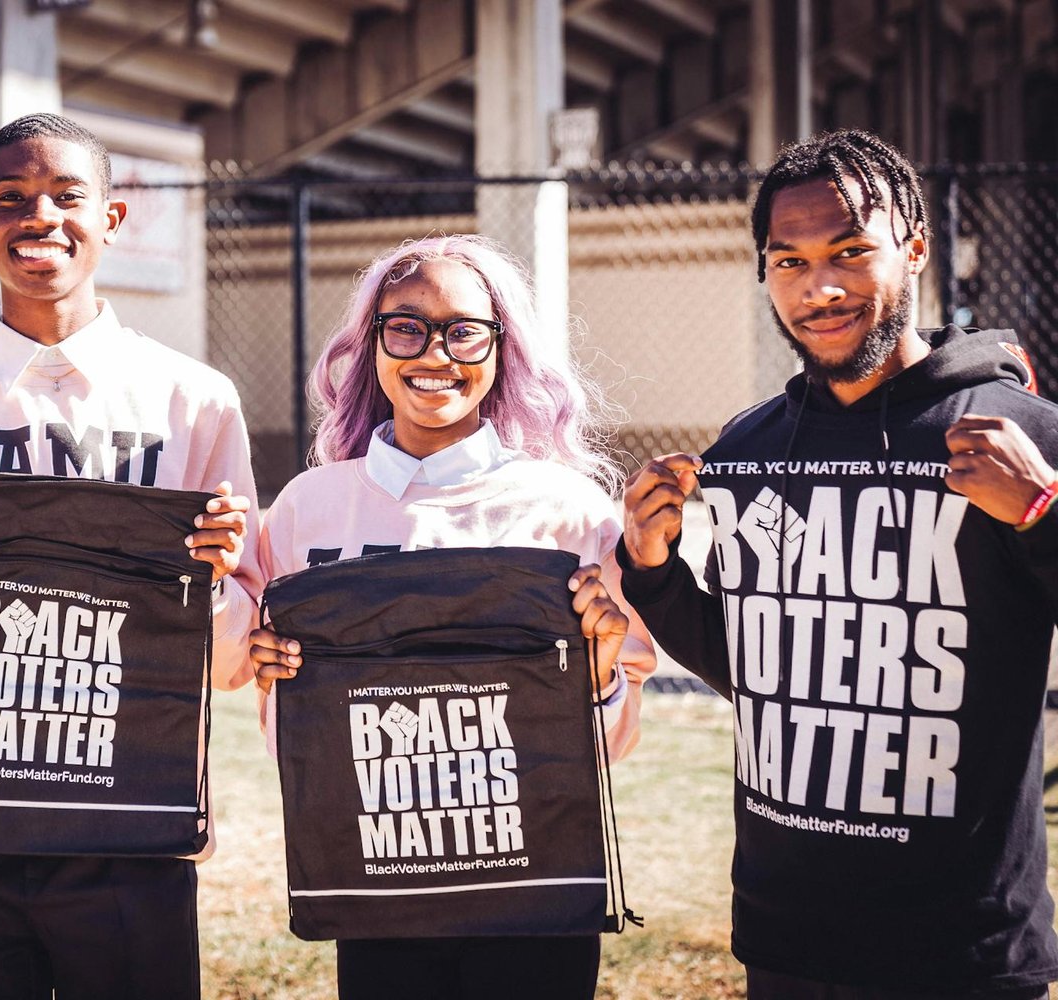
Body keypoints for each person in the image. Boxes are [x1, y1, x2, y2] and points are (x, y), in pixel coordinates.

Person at [619, 128, 1058, 999]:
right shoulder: (748, 449)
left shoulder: (1018, 435)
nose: (819, 288)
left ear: (916, 249)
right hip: (789, 937)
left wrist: (1044, 514)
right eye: (788, 262)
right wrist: (655, 566)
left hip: (963, 948)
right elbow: (755, 668)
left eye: (852, 251)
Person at [0, 112, 259, 1000]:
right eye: (11, 199)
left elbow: (235, 661)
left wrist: (217, 582)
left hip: (130, 814)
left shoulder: (195, 404)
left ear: (113, 218)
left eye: (68, 195)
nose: (40, 216)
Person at [248, 234, 655, 1000]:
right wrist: (283, 686)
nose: (435, 351)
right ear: (371, 344)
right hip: (382, 875)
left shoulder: (566, 510)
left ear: (504, 348)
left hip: (531, 875)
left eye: (465, 329)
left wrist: (600, 671)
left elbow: (613, 743)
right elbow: (291, 739)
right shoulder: (308, 508)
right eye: (406, 326)